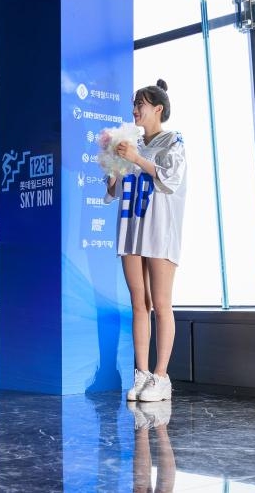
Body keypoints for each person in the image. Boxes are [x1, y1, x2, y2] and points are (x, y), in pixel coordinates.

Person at [104, 79, 186, 403]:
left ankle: (162, 376)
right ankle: (141, 374)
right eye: (134, 104)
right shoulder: (131, 142)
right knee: (139, 303)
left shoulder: (173, 142)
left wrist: (136, 158)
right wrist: (114, 163)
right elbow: (112, 192)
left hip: (159, 231)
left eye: (141, 104)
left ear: (158, 109)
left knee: (162, 303)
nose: (135, 109)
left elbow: (170, 179)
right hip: (132, 229)